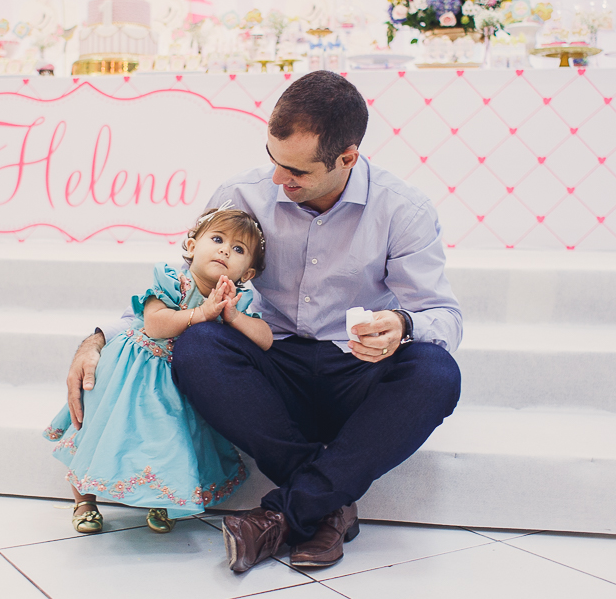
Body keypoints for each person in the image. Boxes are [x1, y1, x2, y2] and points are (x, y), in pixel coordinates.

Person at [66, 70, 462, 571]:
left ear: (347, 158)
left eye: (297, 171)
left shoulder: (402, 209)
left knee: (436, 374)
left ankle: (285, 514)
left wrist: (402, 326)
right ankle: (326, 505)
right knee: (200, 345)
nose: (278, 179)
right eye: (274, 159)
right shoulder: (240, 194)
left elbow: (444, 317)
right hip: (271, 369)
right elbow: (181, 289)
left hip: (354, 370)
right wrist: (100, 337)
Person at [45, 206, 272, 534]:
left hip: (178, 382)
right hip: (134, 368)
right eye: (218, 239)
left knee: (166, 440)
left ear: (247, 273)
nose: (225, 250)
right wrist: (204, 313)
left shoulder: (237, 300)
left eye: (238, 249)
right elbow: (154, 323)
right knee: (98, 430)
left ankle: (163, 500)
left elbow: (265, 340)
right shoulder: (172, 281)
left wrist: (234, 317)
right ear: (192, 248)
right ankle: (84, 501)